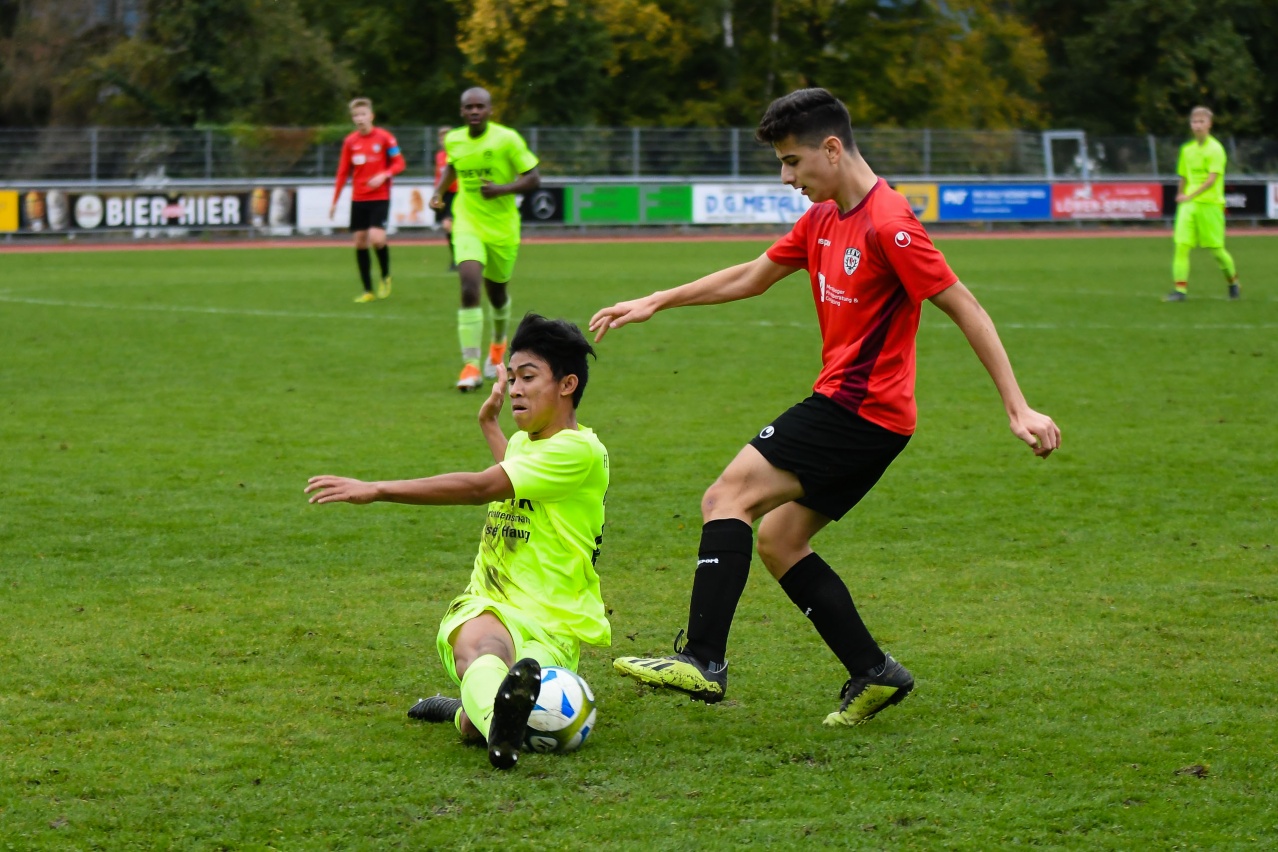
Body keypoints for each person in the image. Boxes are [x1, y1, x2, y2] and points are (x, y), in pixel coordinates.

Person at [589, 88, 1061, 728]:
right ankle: (874, 671)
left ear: (832, 149)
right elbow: (753, 276)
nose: (787, 178)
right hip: (871, 419)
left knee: (726, 496)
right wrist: (657, 300)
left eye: (793, 162)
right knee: (780, 540)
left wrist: (1017, 407)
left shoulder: (889, 223)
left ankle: (702, 659)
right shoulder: (823, 218)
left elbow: (965, 307)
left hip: (856, 410)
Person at [305, 313, 610, 769]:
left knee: (487, 706)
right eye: (511, 378)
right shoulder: (528, 444)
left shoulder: (577, 450)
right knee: (487, 649)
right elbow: (519, 478)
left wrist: (377, 488)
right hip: (492, 602)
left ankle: (469, 716)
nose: (515, 389)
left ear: (567, 385)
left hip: (554, 622)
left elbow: (481, 487)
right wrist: (490, 426)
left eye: (528, 377)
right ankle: (498, 731)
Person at [432, 88, 541, 391]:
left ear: (490, 110)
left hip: (502, 228)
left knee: (497, 295)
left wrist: (501, 189)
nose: (474, 111)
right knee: (469, 286)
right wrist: (439, 192)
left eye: (480, 106)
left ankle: (497, 347)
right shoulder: (454, 139)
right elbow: (452, 166)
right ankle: (470, 366)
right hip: (467, 222)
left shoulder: (507, 139)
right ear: (461, 111)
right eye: (469, 107)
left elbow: (534, 178)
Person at [331, 97, 406, 303]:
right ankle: (367, 290)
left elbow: (400, 163)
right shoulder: (350, 142)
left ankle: (385, 276)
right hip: (359, 198)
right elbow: (342, 172)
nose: (360, 118)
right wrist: (335, 200)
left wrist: (384, 174)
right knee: (360, 242)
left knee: (377, 238)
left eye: (363, 114)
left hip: (380, 196)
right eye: (356, 115)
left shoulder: (385, 138)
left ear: (371, 116)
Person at [1165, 106, 1241, 302]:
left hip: (1210, 204)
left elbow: (1211, 180)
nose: (1197, 126)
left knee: (1216, 250)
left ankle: (1233, 282)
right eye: (1194, 122)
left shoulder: (1215, 149)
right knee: (1181, 245)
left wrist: (1189, 195)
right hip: (1188, 206)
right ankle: (1179, 290)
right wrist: (1180, 194)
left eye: (1201, 122)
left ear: (1209, 124)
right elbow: (1183, 175)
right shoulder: (1187, 150)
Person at [434, 126, 459, 270]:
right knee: (447, 227)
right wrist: (437, 193)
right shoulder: (439, 156)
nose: (444, 140)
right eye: (441, 138)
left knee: (451, 226)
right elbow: (438, 176)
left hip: (458, 193)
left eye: (446, 137)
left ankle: (459, 258)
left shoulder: (459, 153)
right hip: (445, 195)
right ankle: (456, 258)